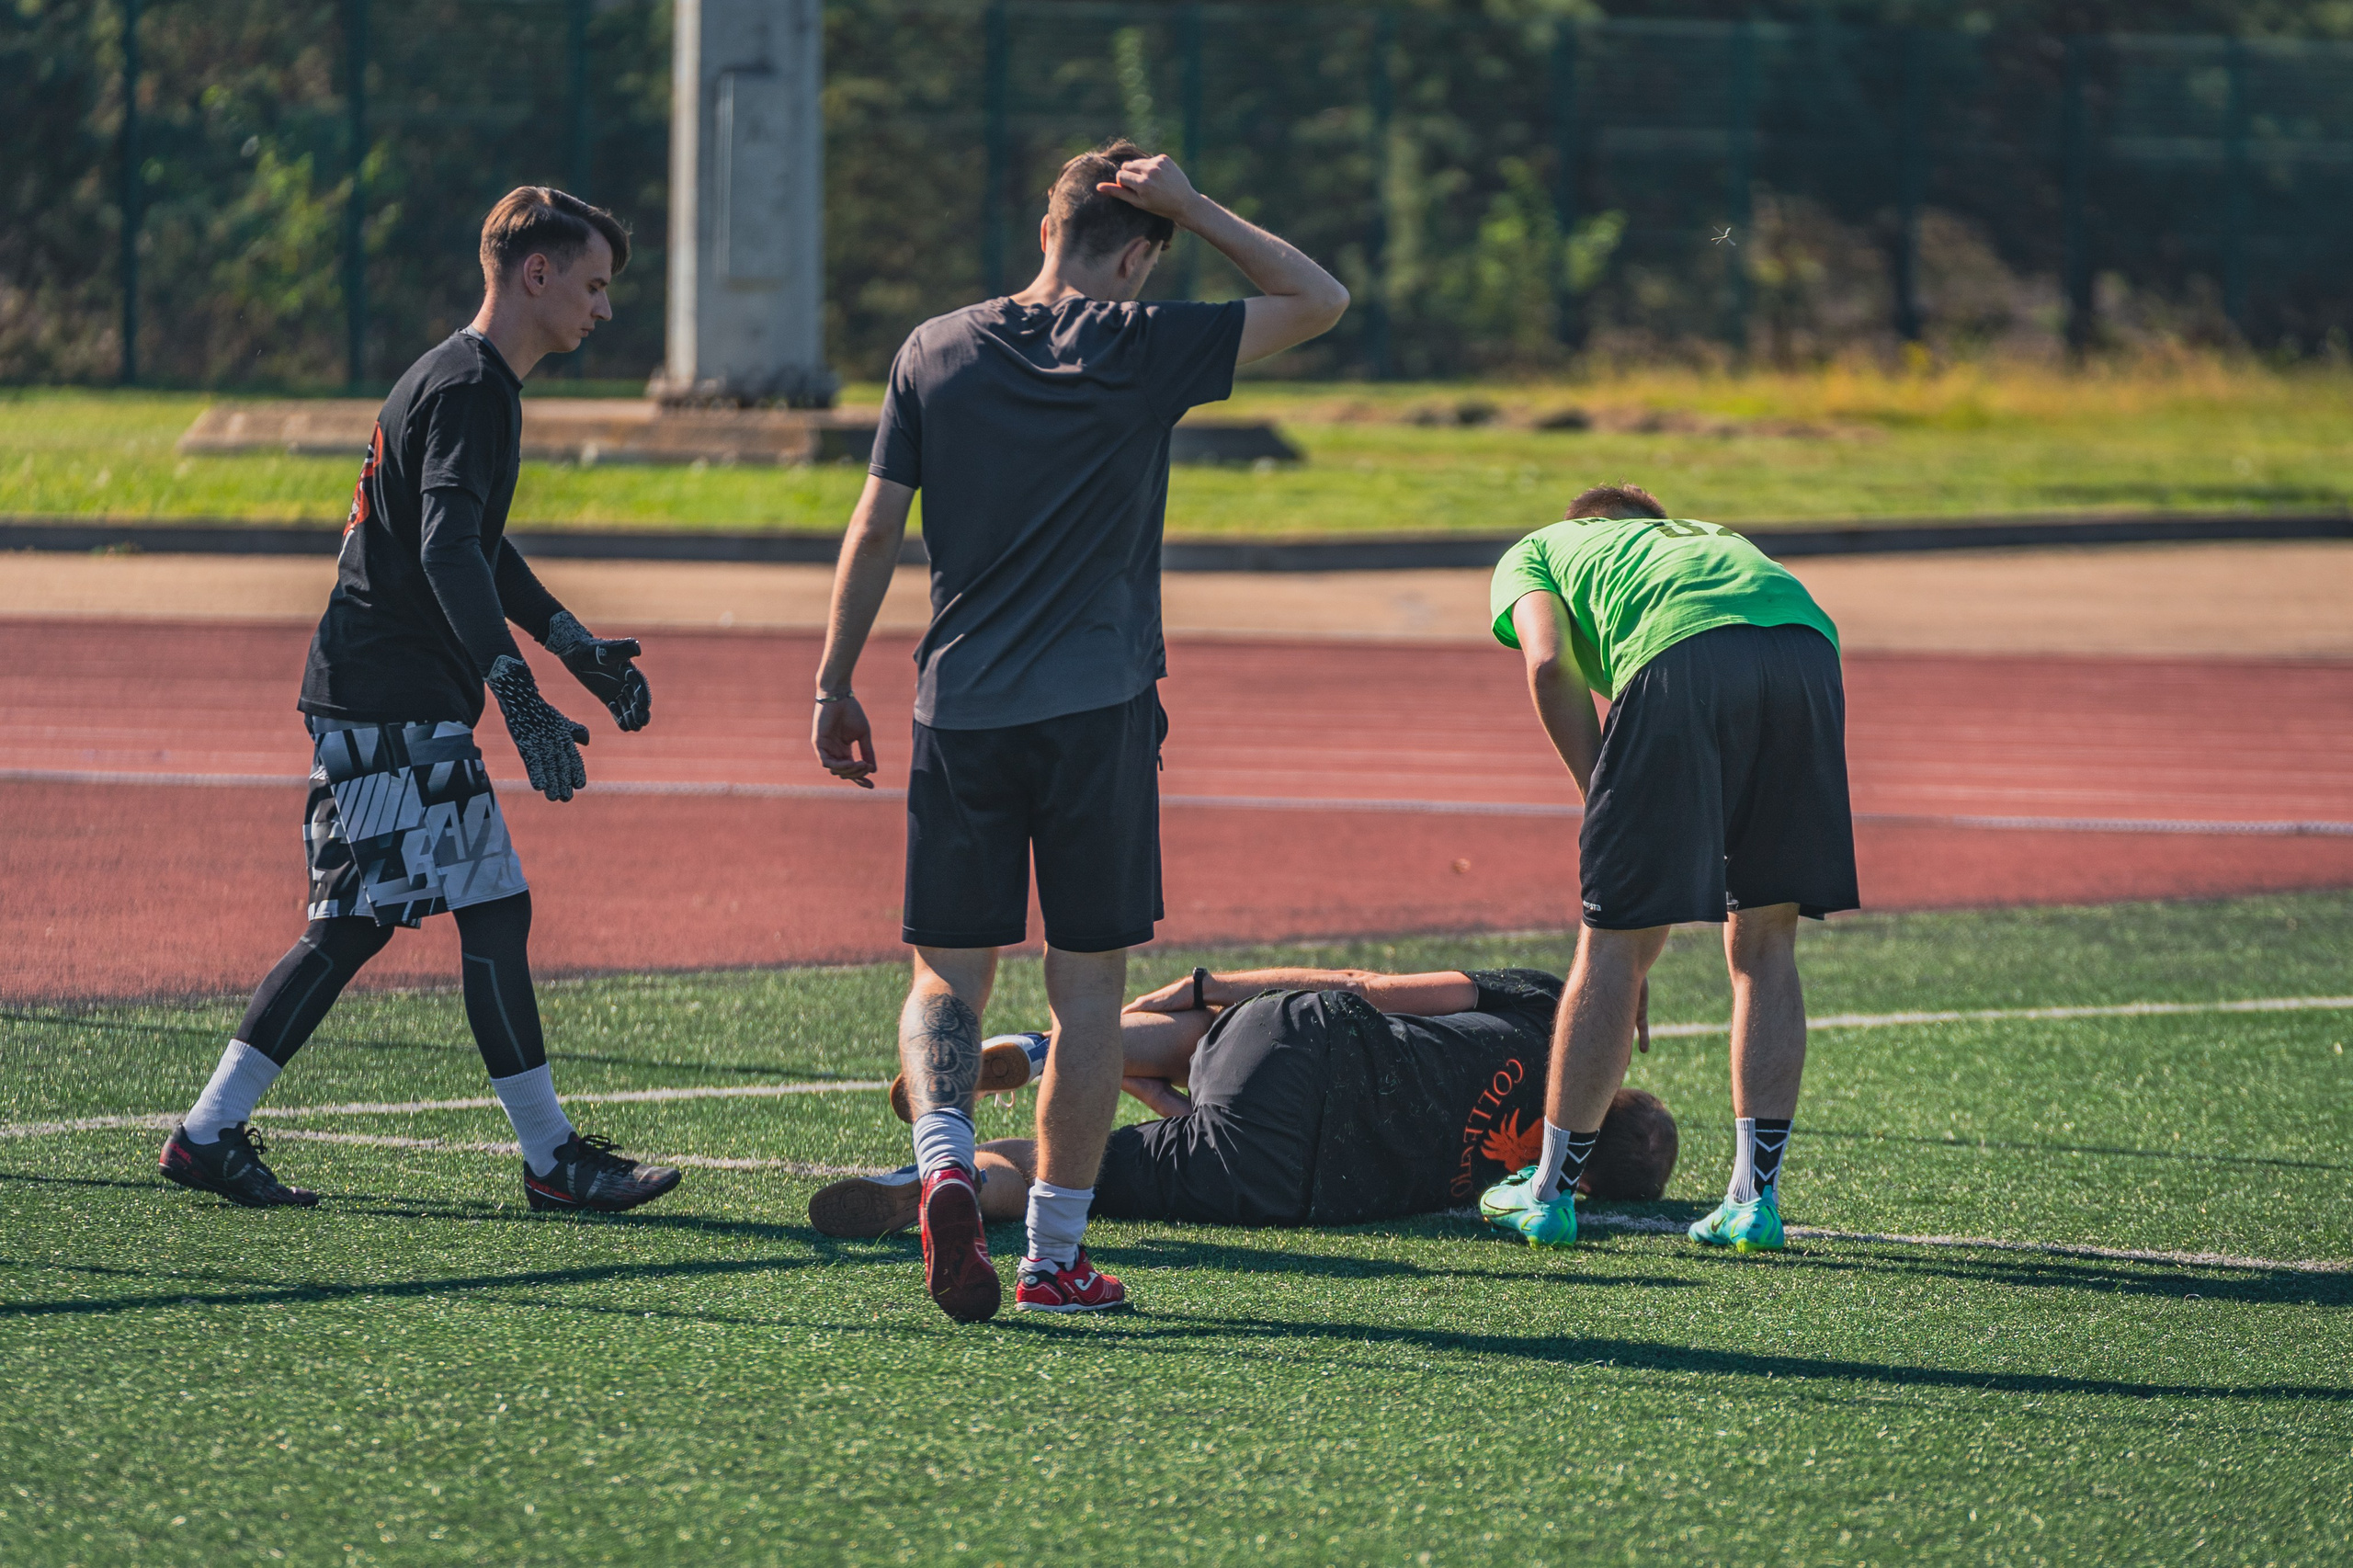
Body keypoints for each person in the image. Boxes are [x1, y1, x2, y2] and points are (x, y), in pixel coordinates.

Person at [810, 142, 1349, 1319]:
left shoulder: (933, 348)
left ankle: (944, 1155)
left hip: (958, 706)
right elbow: (1318, 299)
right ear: (1137, 251)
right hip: (1097, 713)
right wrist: (1198, 204)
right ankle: (1054, 1256)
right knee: (1086, 993)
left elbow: (872, 526)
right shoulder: (1139, 345)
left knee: (946, 973)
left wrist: (832, 680)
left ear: (1044, 229)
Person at [157, 188, 680, 1217]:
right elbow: (447, 546)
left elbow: (474, 541)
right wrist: (519, 694)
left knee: (350, 924)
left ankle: (208, 1131)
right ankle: (552, 1158)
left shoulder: (460, 377)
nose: (603, 310)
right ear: (536, 273)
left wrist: (571, 644)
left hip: (365, 690)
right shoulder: (474, 387)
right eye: (594, 284)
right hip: (391, 695)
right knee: (493, 906)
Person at [1477, 483, 1857, 1254]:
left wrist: (1601, 799)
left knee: (1614, 940)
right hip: (1808, 648)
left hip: (1678, 649)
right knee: (1766, 939)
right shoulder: (1708, 533)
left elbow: (1550, 665)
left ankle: (1547, 1193)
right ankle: (1755, 1202)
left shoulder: (1544, 546)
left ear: (1585, 521)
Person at [807, 965, 1678, 1249]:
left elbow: (1368, 988)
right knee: (1069, 1170)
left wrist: (1204, 983)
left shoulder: (1548, 1009)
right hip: (1291, 1186)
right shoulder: (1526, 1192)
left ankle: (1059, 1051)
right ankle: (952, 1184)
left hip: (1305, 1049)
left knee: (1222, 1027)